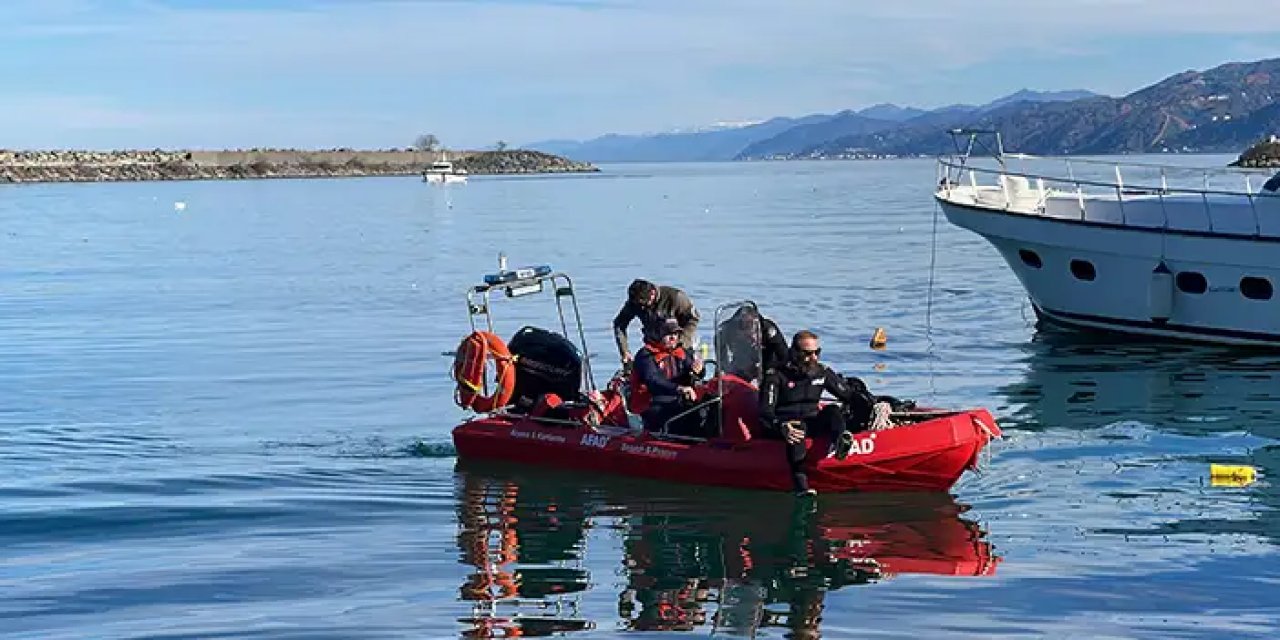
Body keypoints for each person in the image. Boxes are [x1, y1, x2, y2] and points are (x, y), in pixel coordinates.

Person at [758, 330, 877, 496]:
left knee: (833, 411)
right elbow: (765, 412)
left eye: (817, 352)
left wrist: (873, 405)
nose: (813, 358)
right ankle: (801, 486)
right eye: (807, 354)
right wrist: (781, 426)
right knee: (797, 431)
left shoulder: (821, 372)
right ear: (794, 352)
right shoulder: (776, 375)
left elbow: (849, 395)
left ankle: (840, 443)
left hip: (812, 420)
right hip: (786, 425)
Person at [630, 318, 707, 436]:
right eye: (668, 334)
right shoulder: (645, 356)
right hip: (652, 402)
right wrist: (678, 388)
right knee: (680, 411)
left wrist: (699, 370)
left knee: (708, 403)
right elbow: (653, 380)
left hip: (678, 398)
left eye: (675, 334)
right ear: (657, 334)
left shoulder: (682, 352)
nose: (673, 338)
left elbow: (693, 374)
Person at [614, 279, 700, 366]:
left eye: (644, 304)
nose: (642, 308)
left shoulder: (676, 297)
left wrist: (682, 342)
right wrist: (625, 351)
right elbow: (619, 324)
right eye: (639, 305)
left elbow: (693, 318)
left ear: (652, 293)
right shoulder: (634, 303)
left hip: (680, 344)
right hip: (653, 347)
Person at [718, 306, 789, 383]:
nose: (752, 336)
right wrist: (725, 367)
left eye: (754, 332)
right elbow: (720, 348)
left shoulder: (768, 329)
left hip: (767, 359)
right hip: (742, 360)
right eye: (749, 335)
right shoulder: (728, 328)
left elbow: (784, 355)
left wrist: (770, 368)